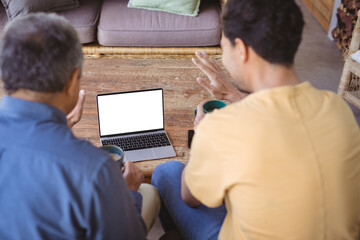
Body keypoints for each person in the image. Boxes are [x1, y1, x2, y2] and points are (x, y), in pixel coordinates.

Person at [151, 0, 360, 239]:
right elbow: (284, 122)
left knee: (166, 172)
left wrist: (202, 138)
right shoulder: (337, 109)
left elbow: (190, 198)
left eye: (224, 45)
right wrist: (236, 96)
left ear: (241, 49)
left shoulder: (222, 129)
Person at [0, 13, 160, 239]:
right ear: (71, 80)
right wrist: (130, 193)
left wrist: (58, 129)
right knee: (149, 192)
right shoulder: (94, 169)